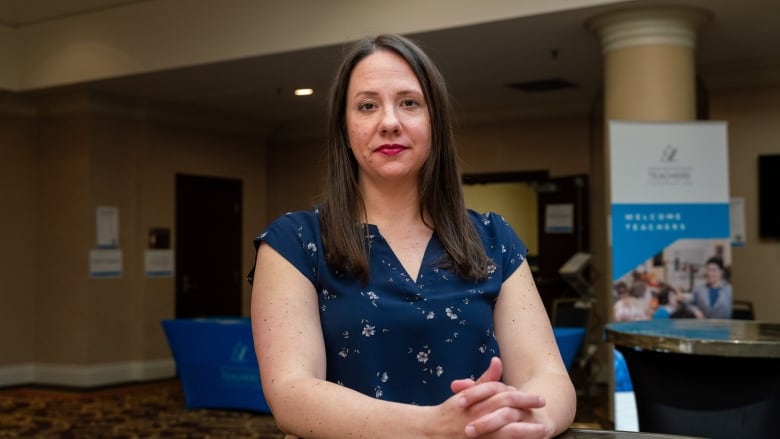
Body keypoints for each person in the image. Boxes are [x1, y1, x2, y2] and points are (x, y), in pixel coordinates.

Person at [248, 34, 576, 438]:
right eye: (367, 106)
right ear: (344, 127)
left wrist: (527, 420)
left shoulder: (494, 239)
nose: (389, 122)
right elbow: (292, 394)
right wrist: (433, 428)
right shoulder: (295, 243)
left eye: (409, 103)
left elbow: (549, 378)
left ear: (434, 120)